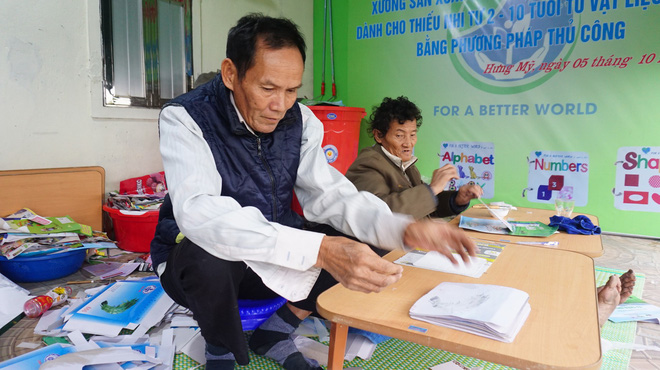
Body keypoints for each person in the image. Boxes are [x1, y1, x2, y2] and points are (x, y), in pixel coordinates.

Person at [150, 13, 476, 370]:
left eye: (292, 90)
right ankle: (220, 348)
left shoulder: (302, 120)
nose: (281, 105)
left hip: (273, 258)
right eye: (268, 88)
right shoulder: (186, 117)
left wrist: (404, 228)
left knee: (367, 235)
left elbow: (330, 195)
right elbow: (200, 212)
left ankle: (277, 329)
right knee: (205, 254)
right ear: (231, 73)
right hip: (200, 270)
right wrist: (320, 250)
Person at [345, 96, 483, 220]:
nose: (408, 143)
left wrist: (457, 199)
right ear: (379, 135)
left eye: (412, 135)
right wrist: (433, 188)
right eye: (399, 135)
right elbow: (379, 213)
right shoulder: (368, 164)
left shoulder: (404, 163)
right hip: (388, 248)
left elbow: (422, 207)